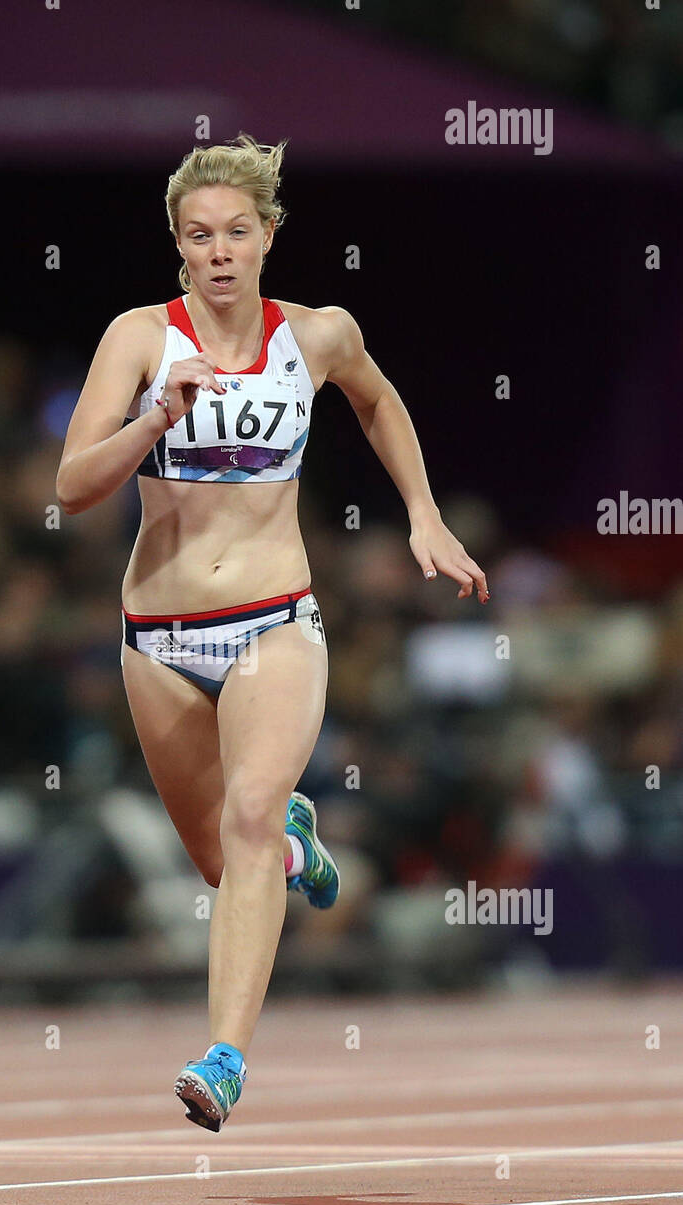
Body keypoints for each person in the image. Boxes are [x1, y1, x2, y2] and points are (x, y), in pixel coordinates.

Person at [57, 134, 488, 1131]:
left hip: (271, 622)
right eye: (199, 235)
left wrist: (421, 513)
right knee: (224, 859)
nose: (218, 252)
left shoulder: (318, 333)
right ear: (177, 245)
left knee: (248, 814)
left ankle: (223, 1055)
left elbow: (377, 400)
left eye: (236, 233)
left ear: (267, 237)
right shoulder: (137, 339)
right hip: (155, 635)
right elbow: (71, 487)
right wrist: (154, 417)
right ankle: (296, 848)